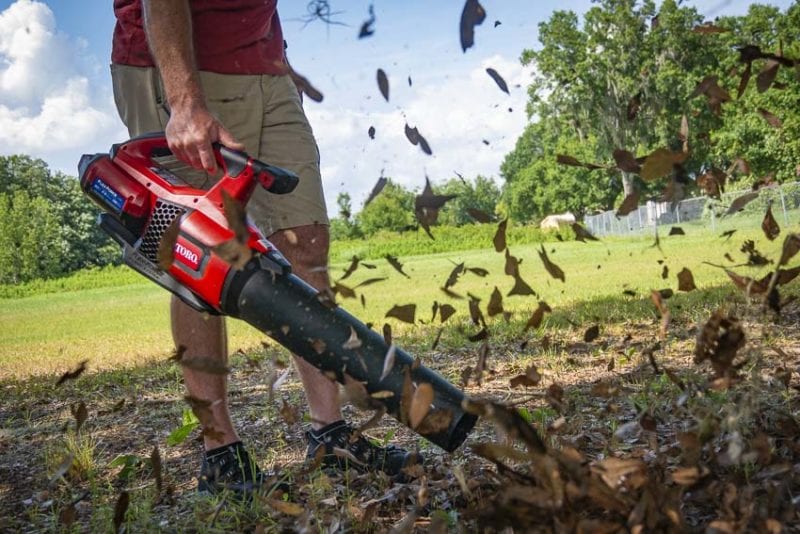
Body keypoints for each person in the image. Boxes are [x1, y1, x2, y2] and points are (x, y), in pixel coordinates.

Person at [110, 0, 419, 496]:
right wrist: (183, 98)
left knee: (306, 240)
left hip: (263, 65)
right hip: (179, 64)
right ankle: (220, 452)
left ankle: (330, 435)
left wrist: (280, 65)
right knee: (200, 253)